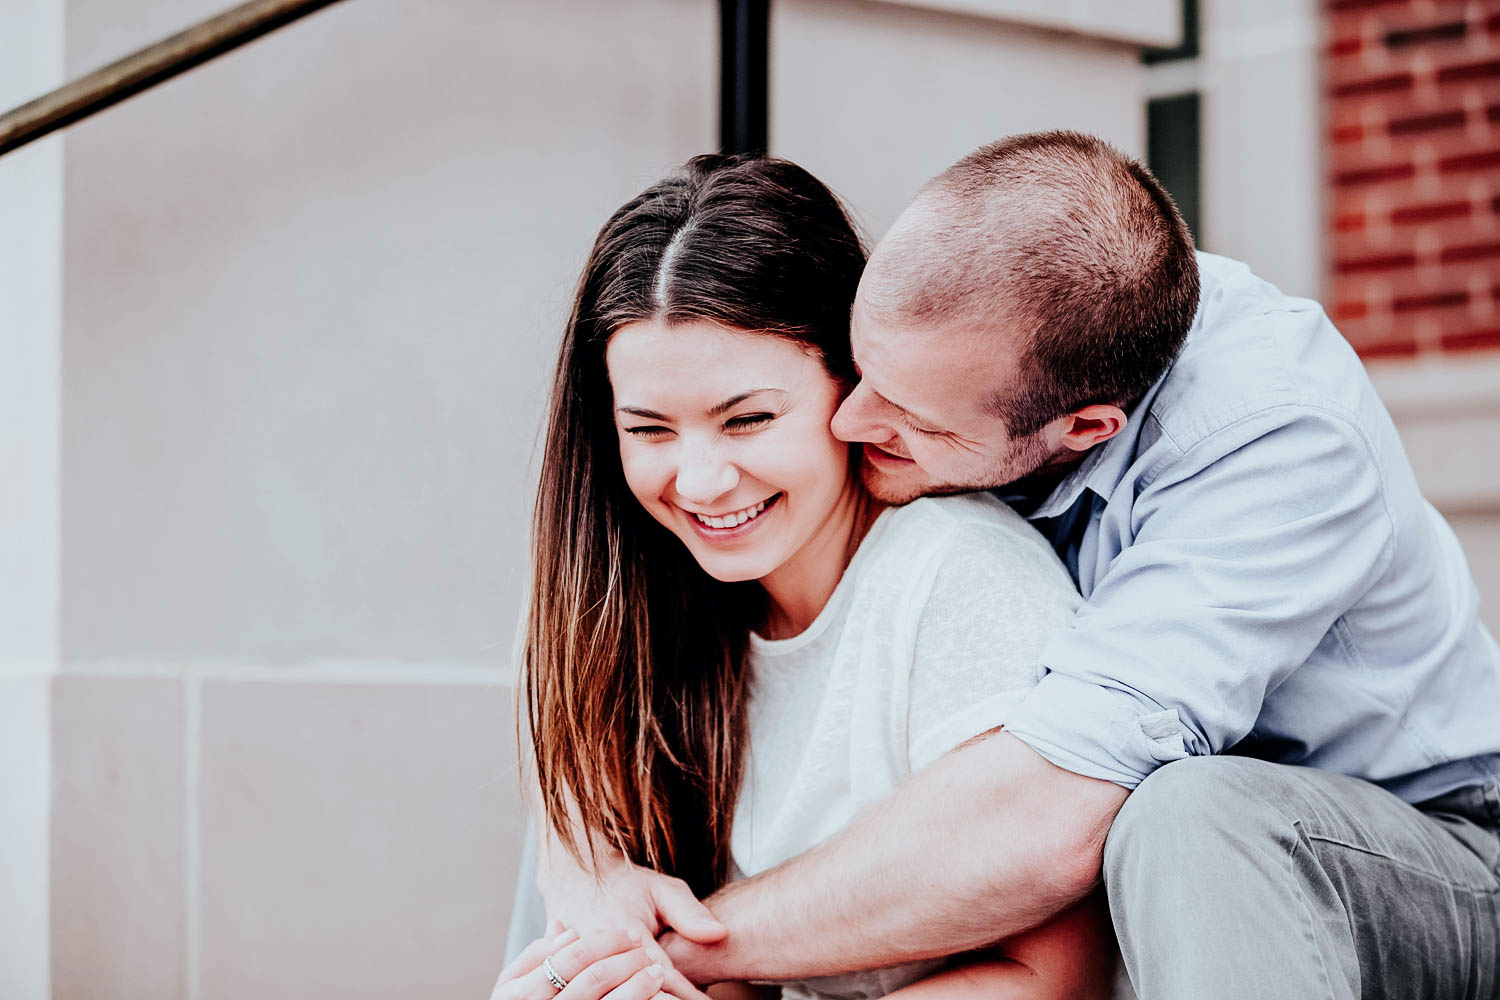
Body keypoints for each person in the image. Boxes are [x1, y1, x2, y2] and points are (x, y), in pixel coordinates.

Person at [531, 133, 1500, 1000]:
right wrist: (593, 896)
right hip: (1166, 856)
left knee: (1192, 814)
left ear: (1084, 430)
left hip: (1427, 854)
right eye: (862, 371)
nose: (855, 420)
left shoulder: (1274, 446)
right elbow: (585, 708)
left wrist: (675, 945)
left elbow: (1052, 813)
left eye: (913, 421)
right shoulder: (985, 312)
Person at [501, 152, 1121, 1000]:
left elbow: (1058, 978)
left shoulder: (959, 578)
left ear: (852, 382)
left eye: (748, 419)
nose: (702, 479)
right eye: (649, 430)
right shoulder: (629, 605)